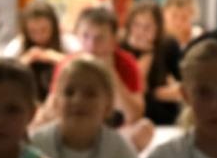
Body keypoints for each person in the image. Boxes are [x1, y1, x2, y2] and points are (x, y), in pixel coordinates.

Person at [36, 7, 145, 137]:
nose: (91, 45)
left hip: (113, 133)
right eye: (85, 36)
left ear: (113, 40)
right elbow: (50, 110)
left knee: (144, 129)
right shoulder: (68, 64)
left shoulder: (126, 63)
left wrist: (111, 72)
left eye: (100, 38)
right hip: (73, 129)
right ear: (77, 35)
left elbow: (134, 115)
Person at [120, 0, 183, 126]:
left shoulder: (168, 45)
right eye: (136, 25)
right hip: (129, 116)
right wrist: (147, 55)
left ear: (158, 28)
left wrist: (156, 94)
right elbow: (137, 88)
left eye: (148, 26)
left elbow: (184, 86)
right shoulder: (121, 47)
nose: (141, 31)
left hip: (163, 115)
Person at [2, 0, 68, 103]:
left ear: (54, 27)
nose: (39, 37)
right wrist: (25, 60)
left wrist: (54, 57)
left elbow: (83, 69)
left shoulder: (67, 42)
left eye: (44, 30)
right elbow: (2, 73)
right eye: (33, 32)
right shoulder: (18, 45)